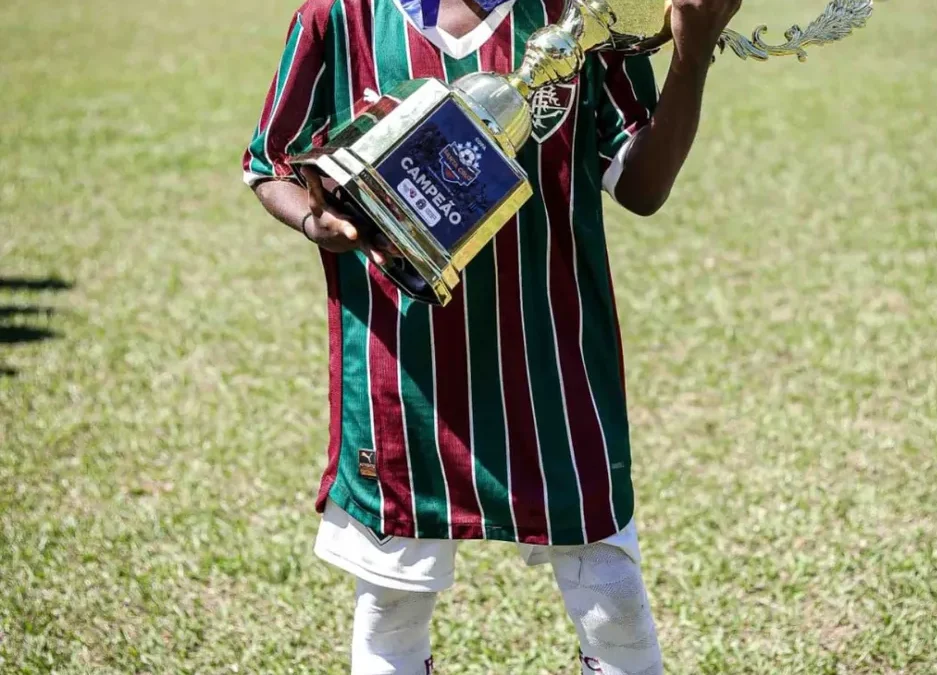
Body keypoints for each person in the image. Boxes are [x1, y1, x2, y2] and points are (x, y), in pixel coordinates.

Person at [243, 0, 740, 672]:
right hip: (406, 376)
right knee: (392, 602)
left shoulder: (584, 15)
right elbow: (268, 161)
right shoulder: (343, 16)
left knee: (612, 594)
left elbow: (642, 185)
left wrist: (693, 50)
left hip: (553, 359)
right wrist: (314, 221)